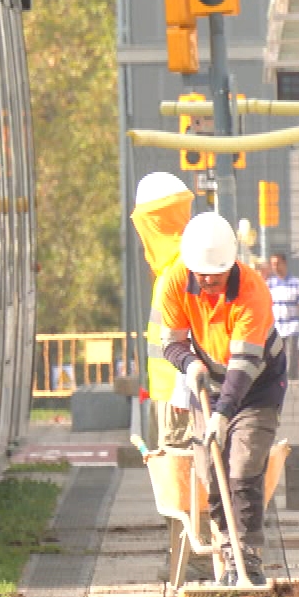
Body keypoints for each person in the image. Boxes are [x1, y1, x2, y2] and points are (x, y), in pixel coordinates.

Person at [157, 211, 287, 587]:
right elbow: (172, 342)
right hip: (207, 387)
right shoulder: (176, 281)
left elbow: (245, 364)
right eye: (203, 275)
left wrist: (223, 414)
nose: (210, 281)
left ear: (231, 264)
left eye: (218, 274)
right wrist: (189, 363)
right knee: (211, 474)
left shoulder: (252, 291)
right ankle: (229, 556)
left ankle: (249, 559)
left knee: (243, 467)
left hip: (258, 384)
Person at [131, 172, 198, 449]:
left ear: (154, 223)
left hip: (179, 399)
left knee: (180, 481)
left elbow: (192, 337)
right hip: (167, 395)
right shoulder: (173, 267)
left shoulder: (181, 270)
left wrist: (182, 395)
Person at [266, 253, 299, 381]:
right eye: (273, 264)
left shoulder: (296, 283)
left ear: (284, 263)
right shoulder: (269, 284)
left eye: (278, 264)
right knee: (276, 358)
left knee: (291, 358)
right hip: (276, 327)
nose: (275, 267)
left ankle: (292, 381)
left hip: (292, 327)